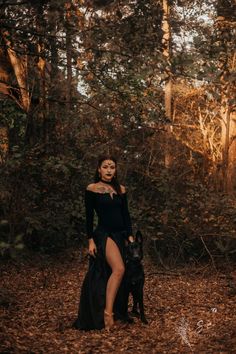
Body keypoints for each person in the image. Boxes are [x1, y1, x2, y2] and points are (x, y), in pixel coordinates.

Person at [72, 155, 135, 331]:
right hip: (103, 234)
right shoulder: (92, 189)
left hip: (120, 236)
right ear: (99, 169)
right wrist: (90, 240)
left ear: (115, 170)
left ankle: (114, 311)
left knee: (115, 274)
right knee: (119, 269)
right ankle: (108, 315)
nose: (109, 170)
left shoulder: (121, 189)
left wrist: (130, 237)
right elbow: (89, 217)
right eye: (105, 167)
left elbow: (126, 216)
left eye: (112, 167)